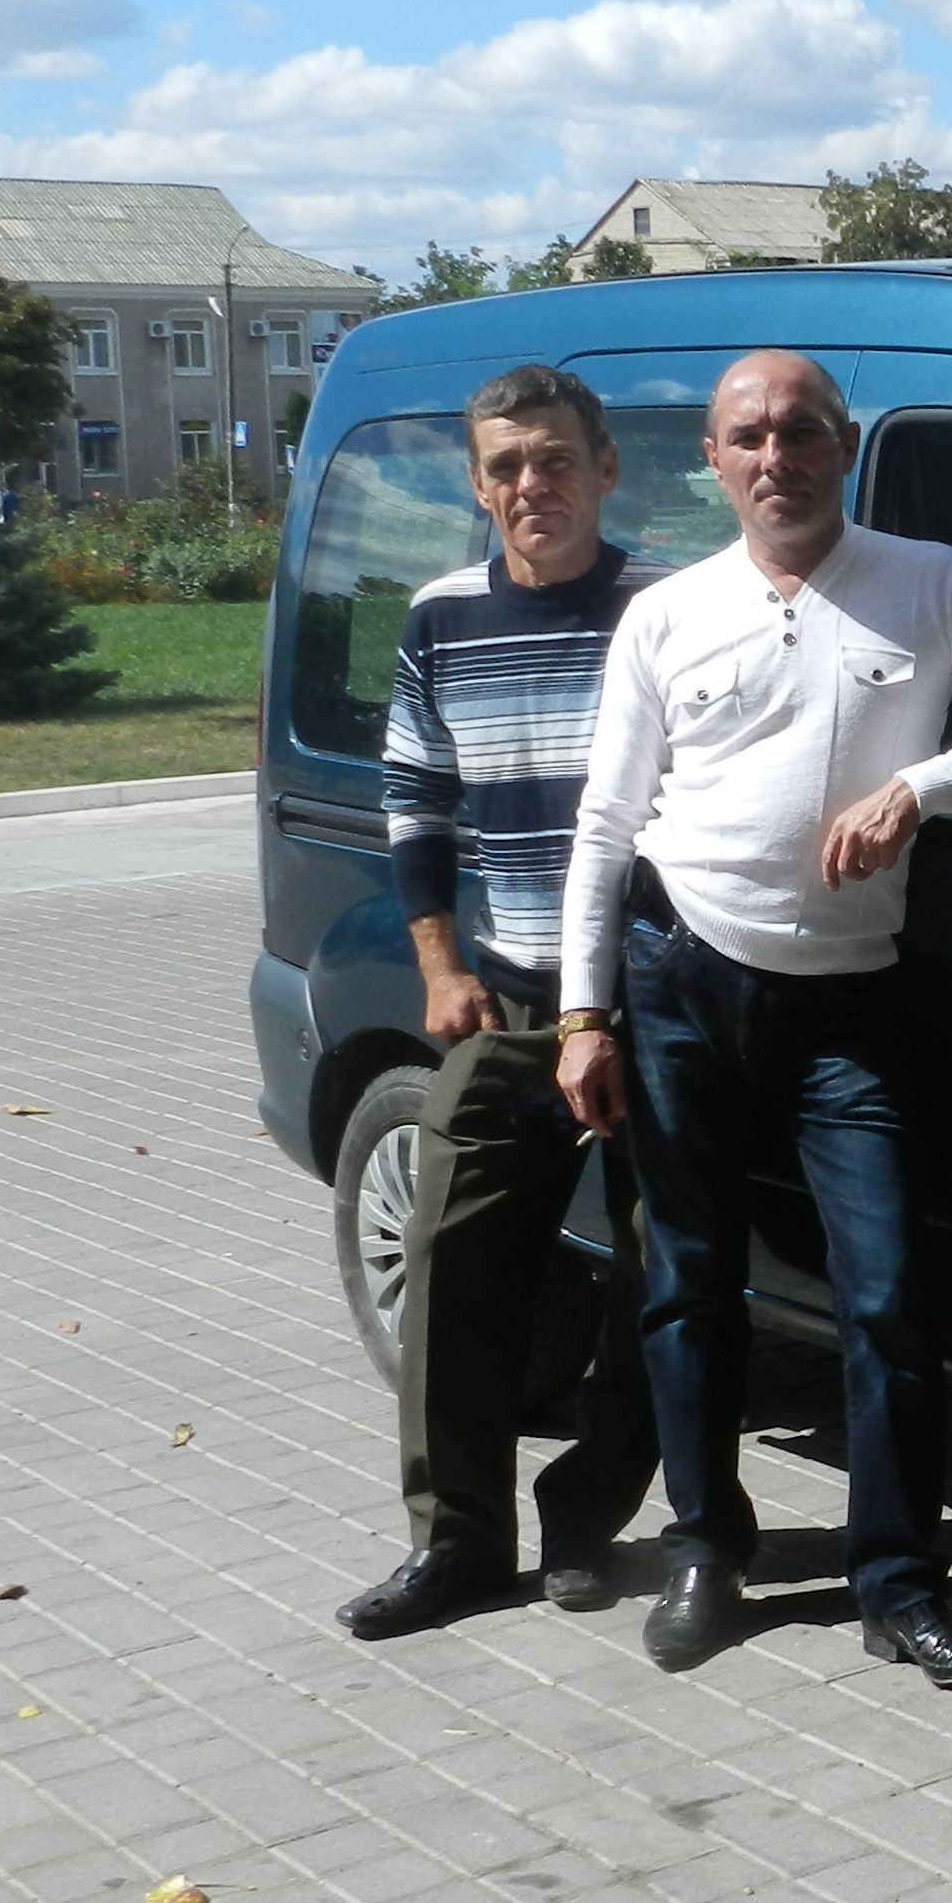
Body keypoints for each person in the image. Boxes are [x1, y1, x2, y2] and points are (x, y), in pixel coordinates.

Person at [555, 349, 952, 1686]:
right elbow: (607, 824)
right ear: (714, 462)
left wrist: (922, 787)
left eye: (800, 431)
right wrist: (583, 1014)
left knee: (893, 1294)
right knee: (687, 1284)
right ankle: (702, 1550)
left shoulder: (931, 582)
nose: (774, 456)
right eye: (748, 436)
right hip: (679, 978)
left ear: (842, 445)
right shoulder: (669, 615)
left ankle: (900, 1585)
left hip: (850, 1002)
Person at [336, 362, 662, 1641]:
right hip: (515, 1000)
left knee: (665, 1278)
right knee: (453, 1260)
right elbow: (415, 801)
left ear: (604, 467)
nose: (536, 485)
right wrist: (437, 962)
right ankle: (460, 1543)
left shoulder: (667, 609)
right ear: (478, 486)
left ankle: (588, 1522)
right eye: (509, 466)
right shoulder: (440, 618)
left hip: (652, 1003)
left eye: (557, 458)